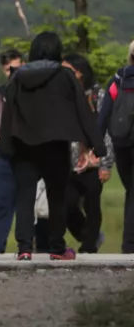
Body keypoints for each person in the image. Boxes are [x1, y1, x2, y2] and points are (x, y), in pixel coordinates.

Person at [0, 32, 106, 261]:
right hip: (56, 144)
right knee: (57, 197)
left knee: (25, 196)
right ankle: (57, 248)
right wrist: (97, 145)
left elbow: (8, 114)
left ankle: (24, 248)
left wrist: (4, 148)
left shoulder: (17, 77)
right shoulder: (65, 76)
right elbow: (82, 111)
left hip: (22, 144)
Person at [62, 53, 112, 253]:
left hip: (93, 160)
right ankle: (86, 234)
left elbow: (107, 131)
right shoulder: (63, 95)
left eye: (69, 70)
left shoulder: (98, 95)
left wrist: (105, 163)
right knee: (67, 203)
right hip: (69, 160)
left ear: (80, 73)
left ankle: (89, 246)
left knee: (92, 205)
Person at [0, 48, 23, 254]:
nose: (13, 74)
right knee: (1, 205)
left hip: (28, 154)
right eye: (9, 70)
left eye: (17, 68)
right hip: (5, 155)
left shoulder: (32, 91)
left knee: (31, 207)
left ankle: (30, 246)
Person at [98, 39, 134, 253]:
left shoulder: (117, 81)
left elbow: (103, 117)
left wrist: (96, 147)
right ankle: (129, 245)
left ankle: (129, 244)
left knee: (131, 190)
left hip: (121, 145)